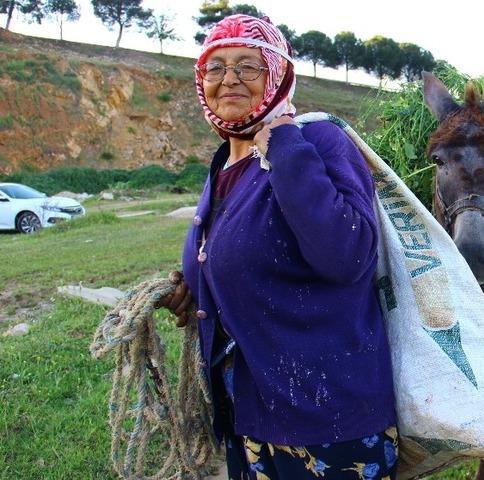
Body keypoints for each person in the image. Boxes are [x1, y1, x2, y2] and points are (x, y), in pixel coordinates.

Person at [158, 14, 398, 480]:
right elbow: (248, 260)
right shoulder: (222, 162)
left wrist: (285, 142)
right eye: (215, 67)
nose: (229, 79)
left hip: (328, 421)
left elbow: (347, 255)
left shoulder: (318, 139)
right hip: (248, 416)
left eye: (248, 66)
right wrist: (194, 290)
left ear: (276, 73)